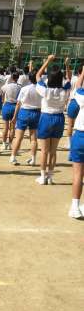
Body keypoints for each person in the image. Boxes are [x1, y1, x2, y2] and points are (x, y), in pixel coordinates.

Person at [35, 55, 71, 185]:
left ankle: (42, 177)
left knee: (44, 151)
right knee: (53, 151)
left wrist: (48, 61)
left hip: (46, 117)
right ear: (60, 79)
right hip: (59, 118)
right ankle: (50, 177)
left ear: (49, 78)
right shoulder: (64, 91)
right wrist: (67, 65)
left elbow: (38, 76)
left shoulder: (45, 90)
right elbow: (69, 79)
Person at [9, 71, 41, 166]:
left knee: (19, 137)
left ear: (29, 79)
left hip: (24, 112)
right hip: (36, 112)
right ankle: (33, 159)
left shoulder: (24, 88)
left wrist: (14, 116)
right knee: (33, 138)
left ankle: (13, 157)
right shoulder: (41, 89)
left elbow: (18, 103)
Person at [68, 65, 84, 218]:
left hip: (80, 135)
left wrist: (83, 72)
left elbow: (78, 86)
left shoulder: (82, 95)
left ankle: (75, 206)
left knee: (78, 174)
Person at [1, 72, 21, 150]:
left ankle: (3, 144)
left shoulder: (6, 86)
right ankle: (9, 144)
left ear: (11, 78)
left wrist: (3, 101)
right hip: (15, 106)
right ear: (18, 78)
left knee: (5, 127)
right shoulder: (20, 87)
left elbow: (2, 93)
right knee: (12, 127)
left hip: (7, 105)